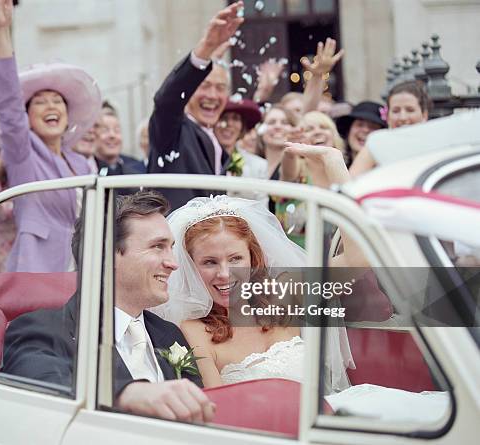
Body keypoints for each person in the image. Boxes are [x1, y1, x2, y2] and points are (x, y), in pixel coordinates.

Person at [3, 191, 214, 422]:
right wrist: (125, 393)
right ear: (106, 255)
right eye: (157, 246)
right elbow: (40, 382)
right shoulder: (42, 329)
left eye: (171, 247)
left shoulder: (170, 335)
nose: (173, 263)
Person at [153, 192, 357, 392]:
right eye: (209, 262)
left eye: (235, 259)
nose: (225, 273)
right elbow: (219, 409)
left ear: (252, 257)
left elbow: (355, 260)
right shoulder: (194, 330)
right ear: (190, 267)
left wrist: (334, 165)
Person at [0, 0, 100, 272]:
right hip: (38, 270)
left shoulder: (81, 163)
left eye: (57, 101)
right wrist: (2, 29)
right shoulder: (24, 155)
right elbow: (9, 108)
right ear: (28, 118)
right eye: (40, 102)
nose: (51, 106)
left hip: (85, 270)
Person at [146, 2, 244, 210]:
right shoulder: (172, 130)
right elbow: (166, 101)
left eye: (220, 88)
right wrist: (205, 48)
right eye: (205, 86)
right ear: (189, 90)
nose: (212, 95)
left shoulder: (217, 142)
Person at [349, 81, 431, 177]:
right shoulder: (377, 143)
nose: (403, 117)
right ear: (388, 117)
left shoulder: (435, 141)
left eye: (410, 110)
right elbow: (350, 182)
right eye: (396, 111)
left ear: (424, 115)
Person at [214, 99, 267, 204]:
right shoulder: (200, 159)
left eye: (235, 119)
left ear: (243, 127)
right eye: (223, 117)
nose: (229, 124)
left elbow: (262, 211)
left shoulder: (259, 166)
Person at [335, 101, 386, 167]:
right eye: (360, 125)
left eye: (373, 126)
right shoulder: (336, 167)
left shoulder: (388, 170)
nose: (365, 130)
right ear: (349, 130)